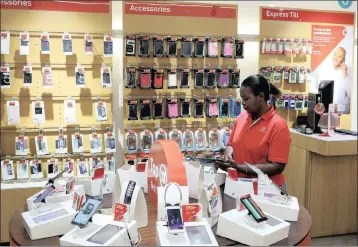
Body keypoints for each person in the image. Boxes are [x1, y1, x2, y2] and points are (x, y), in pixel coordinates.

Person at [215, 74, 291, 190]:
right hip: (240, 186)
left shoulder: (278, 126)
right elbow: (231, 144)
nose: (242, 103)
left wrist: (241, 168)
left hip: (268, 190)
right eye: (242, 99)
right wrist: (228, 157)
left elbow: (277, 167)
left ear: (261, 96)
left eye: (246, 99)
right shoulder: (241, 118)